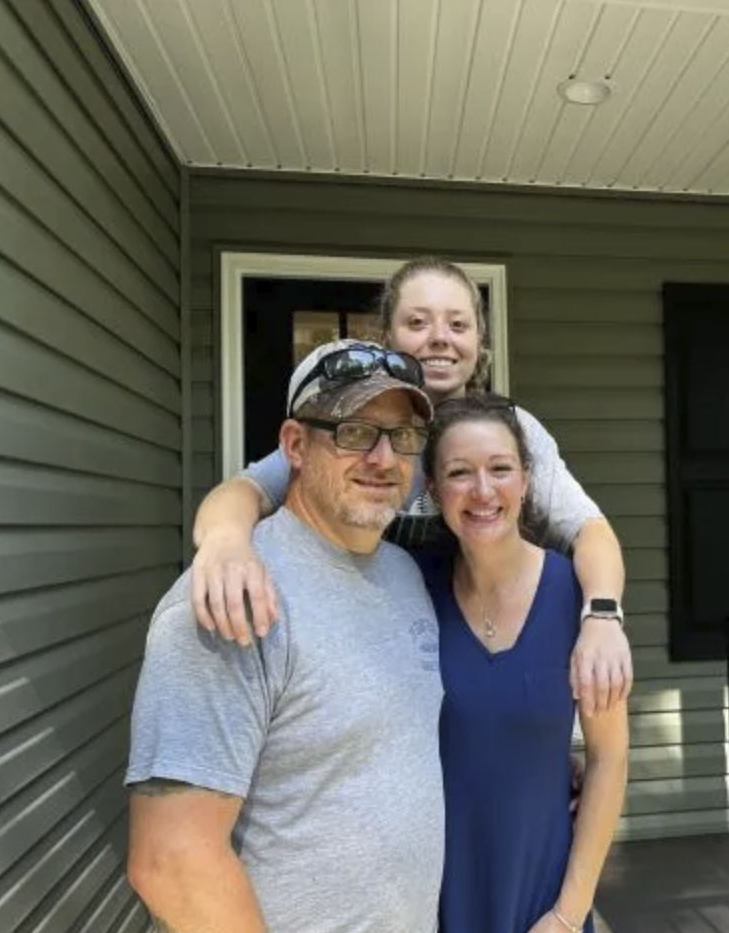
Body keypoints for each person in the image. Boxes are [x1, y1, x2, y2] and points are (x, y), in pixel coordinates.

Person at [125, 343, 447, 933]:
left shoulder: (402, 575)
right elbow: (170, 862)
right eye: (354, 432)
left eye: (403, 436)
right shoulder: (230, 599)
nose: (384, 458)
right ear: (295, 445)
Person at [191, 257, 633, 714]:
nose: (440, 337)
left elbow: (590, 530)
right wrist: (225, 544)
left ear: (479, 340)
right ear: (388, 336)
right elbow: (244, 491)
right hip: (378, 668)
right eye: (418, 322)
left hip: (484, 668)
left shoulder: (510, 429)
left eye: (458, 324)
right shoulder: (353, 432)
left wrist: (602, 616)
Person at [420, 394, 628, 933]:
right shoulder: (413, 589)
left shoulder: (577, 598)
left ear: (528, 480)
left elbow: (609, 760)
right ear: (433, 490)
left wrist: (569, 920)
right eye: (459, 472)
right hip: (432, 903)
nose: (482, 490)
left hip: (542, 901)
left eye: (500, 469)